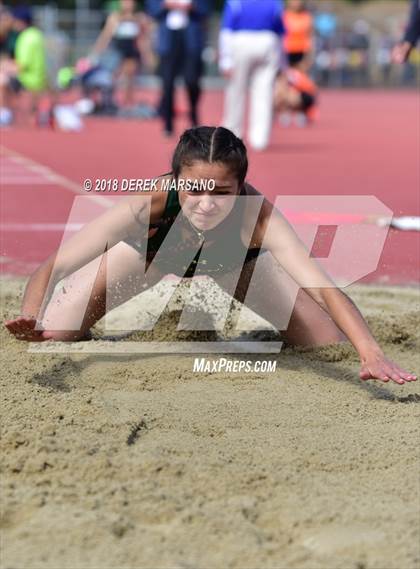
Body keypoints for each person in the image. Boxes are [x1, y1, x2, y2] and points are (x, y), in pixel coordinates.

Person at [4, 126, 417, 385]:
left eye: (222, 193)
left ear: (241, 186)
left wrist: (370, 351)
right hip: (150, 258)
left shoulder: (259, 219)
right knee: (54, 334)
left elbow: (323, 288)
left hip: (233, 267)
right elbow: (54, 265)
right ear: (175, 179)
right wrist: (31, 311)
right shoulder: (149, 203)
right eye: (193, 190)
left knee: (327, 345)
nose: (205, 204)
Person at [219, 0, 285, 151]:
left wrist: (225, 59)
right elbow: (281, 33)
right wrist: (283, 63)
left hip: (240, 41)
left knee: (236, 90)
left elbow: (226, 30)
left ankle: (232, 135)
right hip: (268, 42)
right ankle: (259, 138)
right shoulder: (275, 3)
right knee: (264, 92)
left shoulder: (234, 2)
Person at [146, 0, 210, 137]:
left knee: (192, 80)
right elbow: (152, 9)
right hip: (168, 41)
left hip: (190, 40)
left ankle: (193, 115)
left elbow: (205, 9)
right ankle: (168, 123)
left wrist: (192, 6)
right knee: (167, 84)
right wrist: (165, 5)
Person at [90, 0, 153, 106]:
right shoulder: (115, 18)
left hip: (132, 51)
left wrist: (147, 54)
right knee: (113, 77)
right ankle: (110, 100)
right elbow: (106, 36)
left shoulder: (138, 18)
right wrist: (97, 51)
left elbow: (144, 38)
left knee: (130, 77)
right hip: (118, 51)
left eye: (130, 2)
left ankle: (128, 102)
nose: (128, 4)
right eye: (125, 2)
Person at [0, 6, 48, 125]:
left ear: (21, 22)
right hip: (38, 78)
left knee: (1, 79)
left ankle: (4, 114)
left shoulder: (27, 38)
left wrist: (3, 66)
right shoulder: (36, 34)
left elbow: (20, 67)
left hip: (29, 79)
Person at [283, 0, 313, 70]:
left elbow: (310, 37)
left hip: (301, 52)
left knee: (300, 76)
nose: (296, 3)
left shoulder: (306, 17)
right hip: (286, 52)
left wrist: (309, 57)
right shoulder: (283, 15)